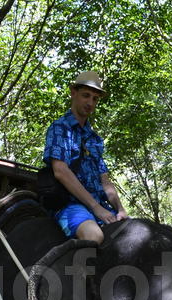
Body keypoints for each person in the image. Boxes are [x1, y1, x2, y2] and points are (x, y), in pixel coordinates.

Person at [43, 71, 128, 244]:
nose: (90, 103)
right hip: (70, 206)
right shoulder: (60, 128)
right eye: (86, 95)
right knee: (93, 236)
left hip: (99, 206)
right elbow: (60, 171)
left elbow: (105, 180)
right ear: (73, 92)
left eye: (95, 99)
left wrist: (120, 208)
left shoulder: (94, 139)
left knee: (132, 237)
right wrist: (96, 208)